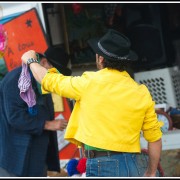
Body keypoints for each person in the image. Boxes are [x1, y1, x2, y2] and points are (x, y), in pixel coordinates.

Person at [21, 29, 163, 177]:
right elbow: (155, 138)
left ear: (100, 59)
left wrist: (31, 61)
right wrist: (151, 173)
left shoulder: (89, 82)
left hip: (104, 165)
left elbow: (49, 81)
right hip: (134, 164)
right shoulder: (141, 91)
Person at [0, 46, 72, 177]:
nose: (57, 77)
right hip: (15, 155)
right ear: (43, 63)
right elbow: (15, 116)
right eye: (56, 72)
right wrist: (48, 124)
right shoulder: (16, 79)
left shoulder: (42, 82)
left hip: (38, 155)